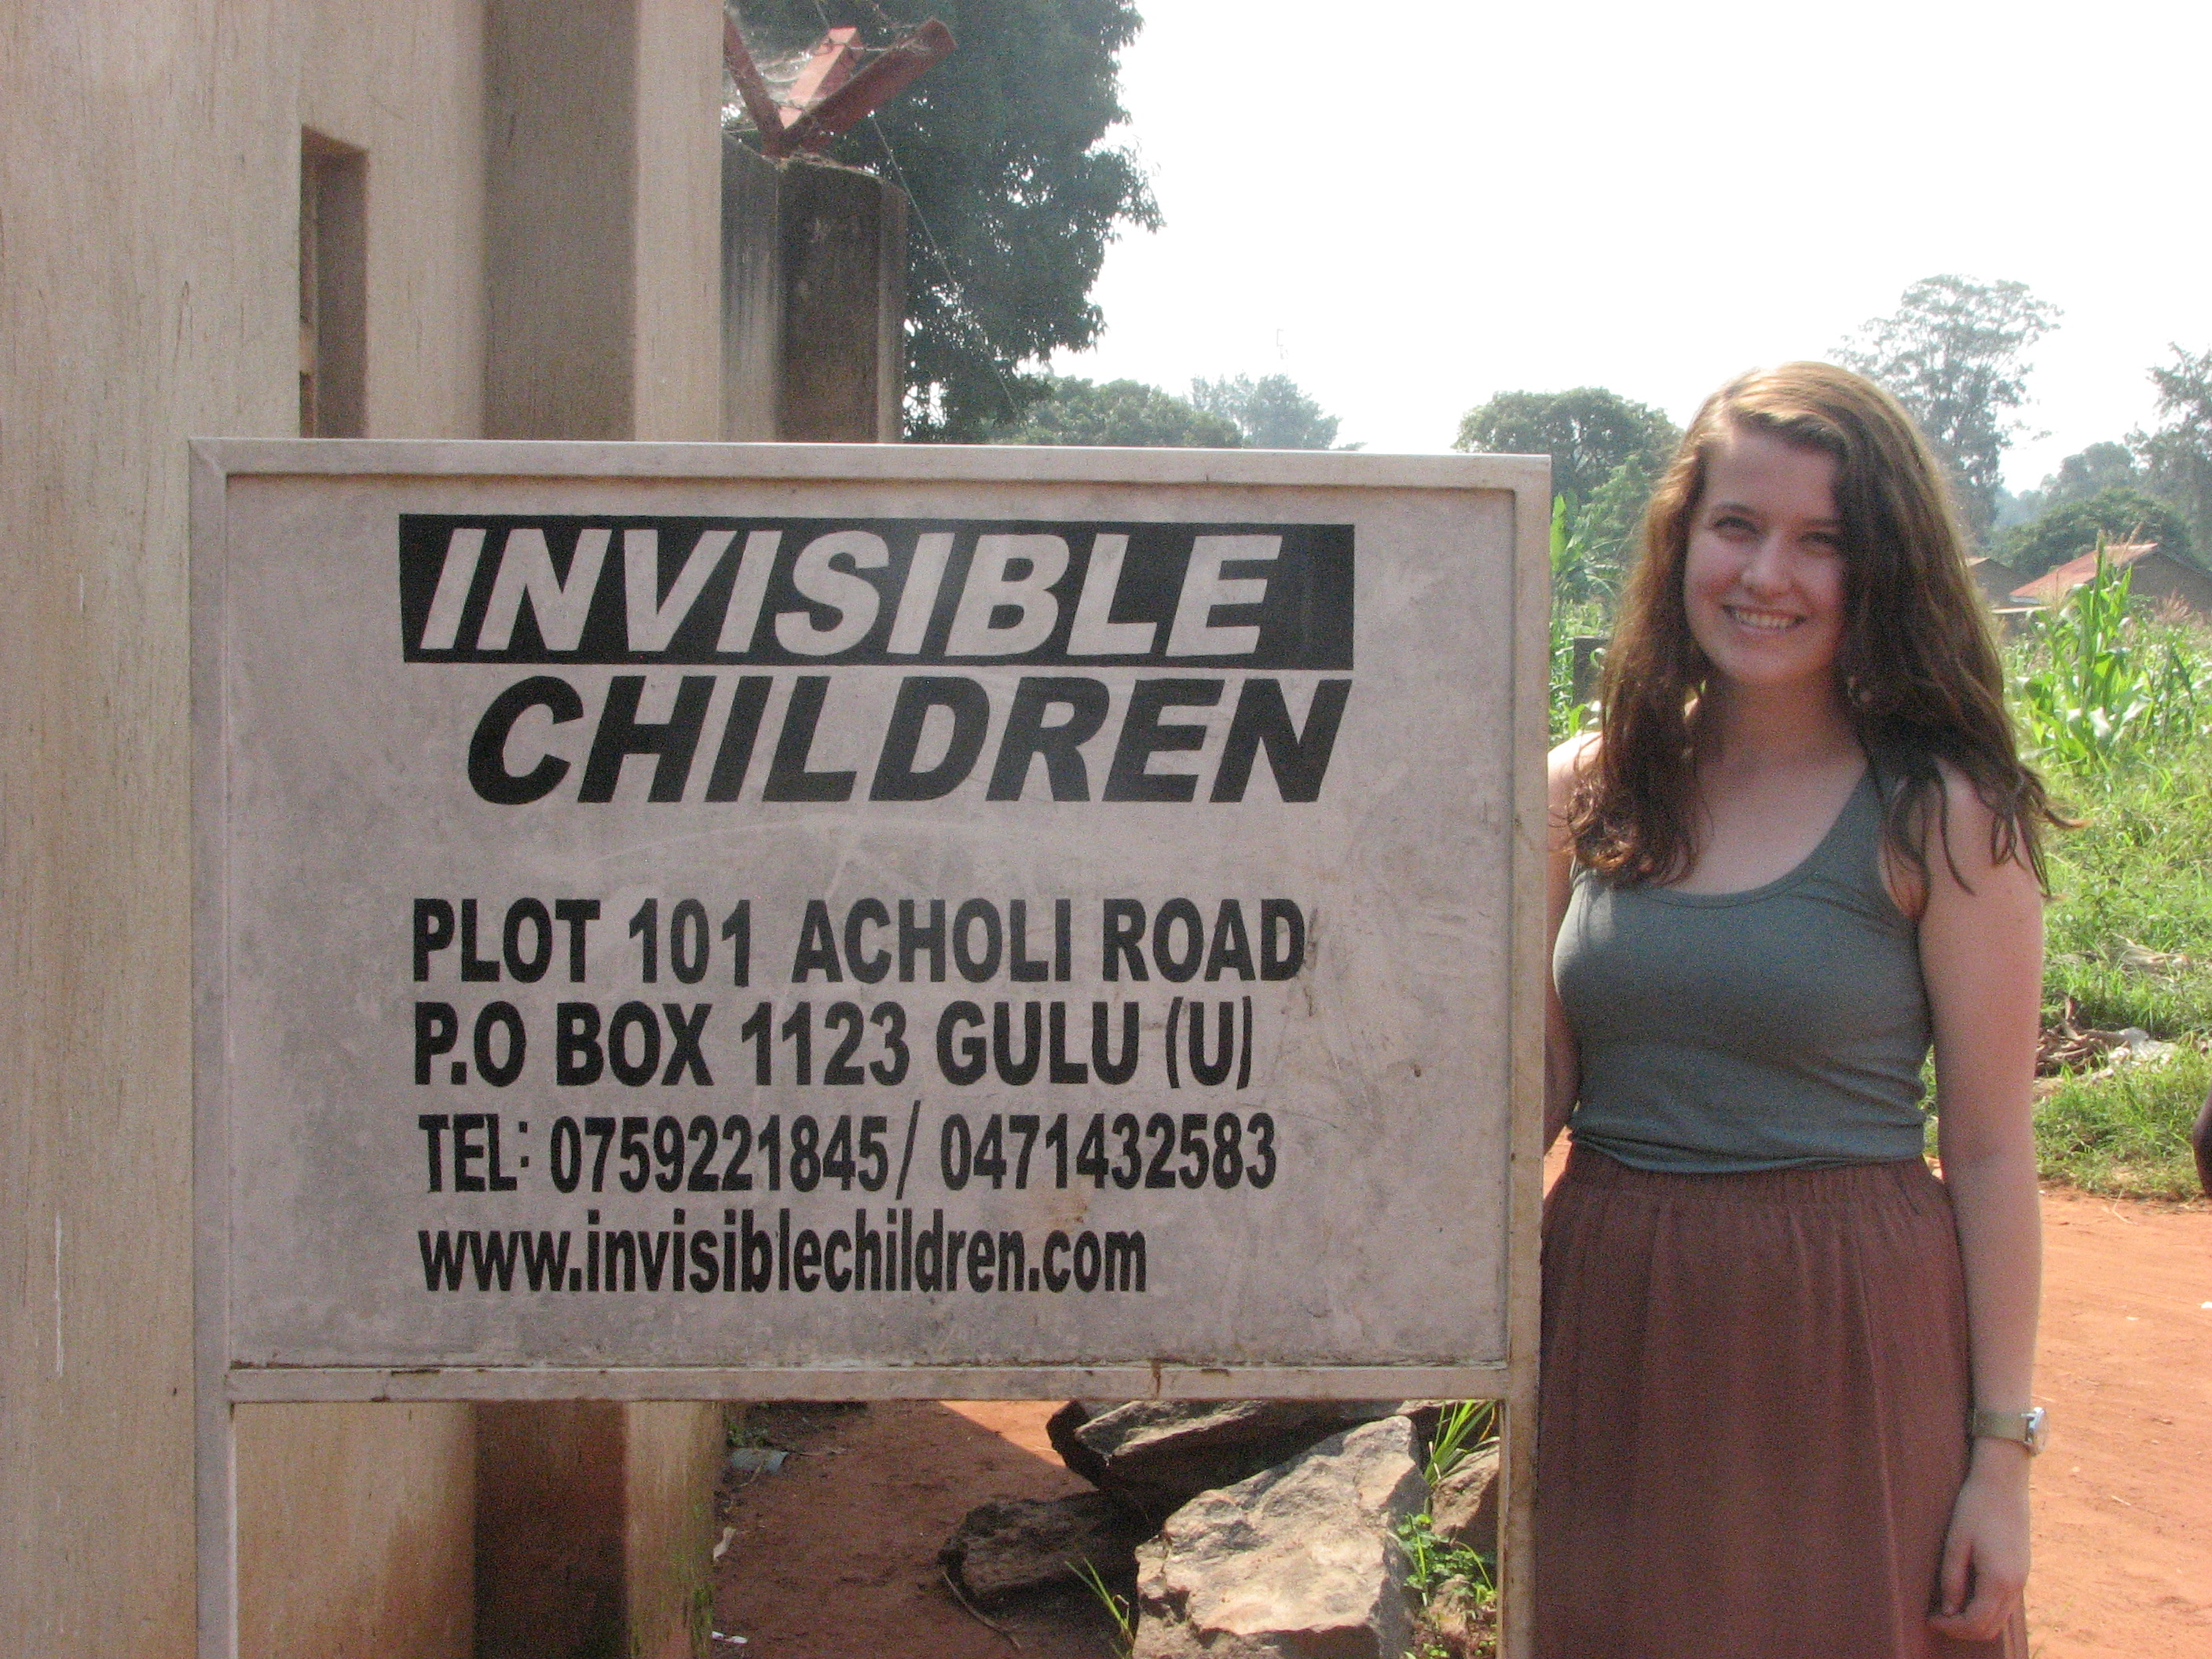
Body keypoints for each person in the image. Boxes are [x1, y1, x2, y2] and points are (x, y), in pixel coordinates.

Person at [1540, 362, 2062, 1658]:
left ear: (1884, 566)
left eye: (1822, 540)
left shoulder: (1943, 817)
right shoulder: (1583, 792)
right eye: (1737, 525)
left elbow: (1991, 1153)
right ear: (1682, 541)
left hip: (1849, 1336)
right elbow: (1524, 1096)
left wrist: (2001, 1461)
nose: (1767, 574)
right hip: (1610, 1312)